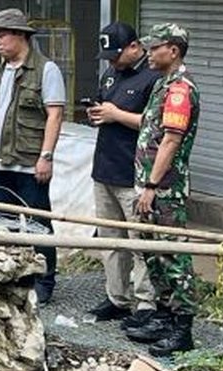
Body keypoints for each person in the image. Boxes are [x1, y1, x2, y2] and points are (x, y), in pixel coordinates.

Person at [0, 9, 65, 304]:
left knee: (38, 223)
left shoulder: (46, 69)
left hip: (28, 159)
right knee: (3, 222)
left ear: (21, 36)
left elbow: (55, 115)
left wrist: (46, 156)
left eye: (2, 36)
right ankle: (12, 276)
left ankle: (45, 279)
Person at [121, 23, 201, 356]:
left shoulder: (180, 90)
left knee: (172, 255)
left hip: (165, 189)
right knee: (154, 254)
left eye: (156, 47)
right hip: (149, 185)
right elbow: (150, 126)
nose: (149, 53)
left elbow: (170, 140)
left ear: (174, 50)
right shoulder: (162, 86)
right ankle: (165, 317)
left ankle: (182, 328)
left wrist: (152, 186)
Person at [86, 22, 158, 322]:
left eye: (116, 55)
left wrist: (117, 115)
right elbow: (105, 109)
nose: (112, 62)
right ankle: (117, 298)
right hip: (104, 168)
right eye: (108, 57)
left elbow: (159, 125)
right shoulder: (111, 73)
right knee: (111, 241)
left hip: (134, 174)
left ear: (134, 46)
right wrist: (97, 114)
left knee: (140, 242)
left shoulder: (154, 78)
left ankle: (145, 303)